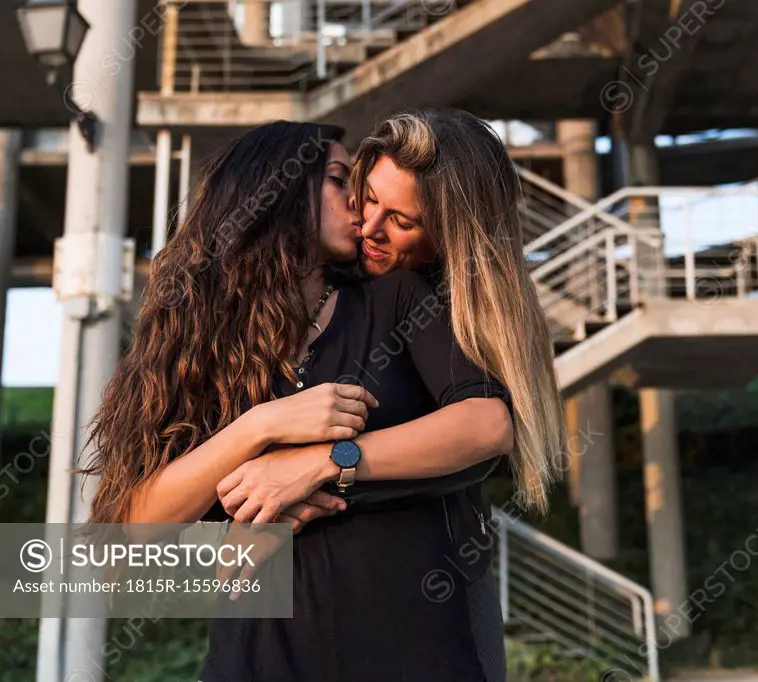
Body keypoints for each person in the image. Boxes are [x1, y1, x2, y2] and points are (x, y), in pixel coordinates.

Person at [84, 115, 564, 681]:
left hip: (414, 648)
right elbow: (121, 550)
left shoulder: (400, 299)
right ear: (276, 193)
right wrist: (258, 432)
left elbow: (485, 428)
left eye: (400, 218)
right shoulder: (202, 350)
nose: (365, 218)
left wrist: (317, 465)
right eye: (348, 184)